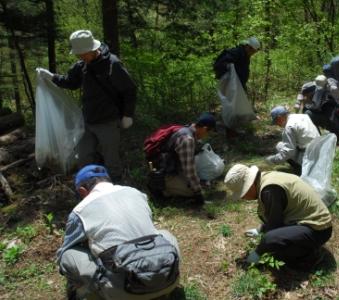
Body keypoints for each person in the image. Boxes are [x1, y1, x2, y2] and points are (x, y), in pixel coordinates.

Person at [57, 164, 180, 300]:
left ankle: (88, 293)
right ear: (108, 181)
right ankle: (163, 289)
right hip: (170, 280)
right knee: (165, 234)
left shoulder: (80, 211)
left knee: (67, 255)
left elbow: (65, 250)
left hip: (125, 292)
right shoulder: (136, 193)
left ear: (82, 191)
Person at [36, 30, 137, 180]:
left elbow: (130, 89)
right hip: (87, 121)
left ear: (93, 49)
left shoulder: (112, 64)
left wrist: (128, 115)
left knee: (111, 160)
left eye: (83, 54)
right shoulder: (82, 65)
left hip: (108, 121)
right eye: (79, 54)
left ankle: (116, 187)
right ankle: (90, 187)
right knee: (83, 158)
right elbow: (71, 82)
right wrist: (51, 77)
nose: (80, 57)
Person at [224, 164, 332, 270]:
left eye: (243, 193)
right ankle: (304, 247)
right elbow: (275, 218)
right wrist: (261, 229)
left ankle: (311, 257)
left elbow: (274, 230)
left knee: (277, 249)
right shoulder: (267, 178)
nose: (243, 197)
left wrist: (258, 252)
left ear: (250, 185)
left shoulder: (269, 190)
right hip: (309, 223)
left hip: (318, 229)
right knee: (273, 241)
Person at [150, 113, 216, 204]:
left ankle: (169, 186)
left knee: (196, 183)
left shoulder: (186, 128)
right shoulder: (188, 140)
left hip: (167, 167)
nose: (207, 135)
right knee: (191, 191)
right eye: (209, 132)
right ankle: (163, 191)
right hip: (165, 175)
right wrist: (198, 193)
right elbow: (189, 170)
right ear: (204, 129)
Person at [266, 106, 320, 175]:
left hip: (309, 156)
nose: (277, 125)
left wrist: (272, 159)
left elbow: (288, 152)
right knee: (284, 145)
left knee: (279, 146)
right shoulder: (302, 116)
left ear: (280, 118)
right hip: (319, 150)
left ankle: (299, 170)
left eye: (276, 122)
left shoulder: (289, 127)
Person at [301, 75, 339, 141]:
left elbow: (317, 108)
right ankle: (320, 136)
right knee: (308, 113)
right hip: (333, 122)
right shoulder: (324, 91)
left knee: (308, 114)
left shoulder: (321, 94)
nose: (306, 96)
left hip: (332, 122)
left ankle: (317, 137)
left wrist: (305, 104)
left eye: (306, 95)